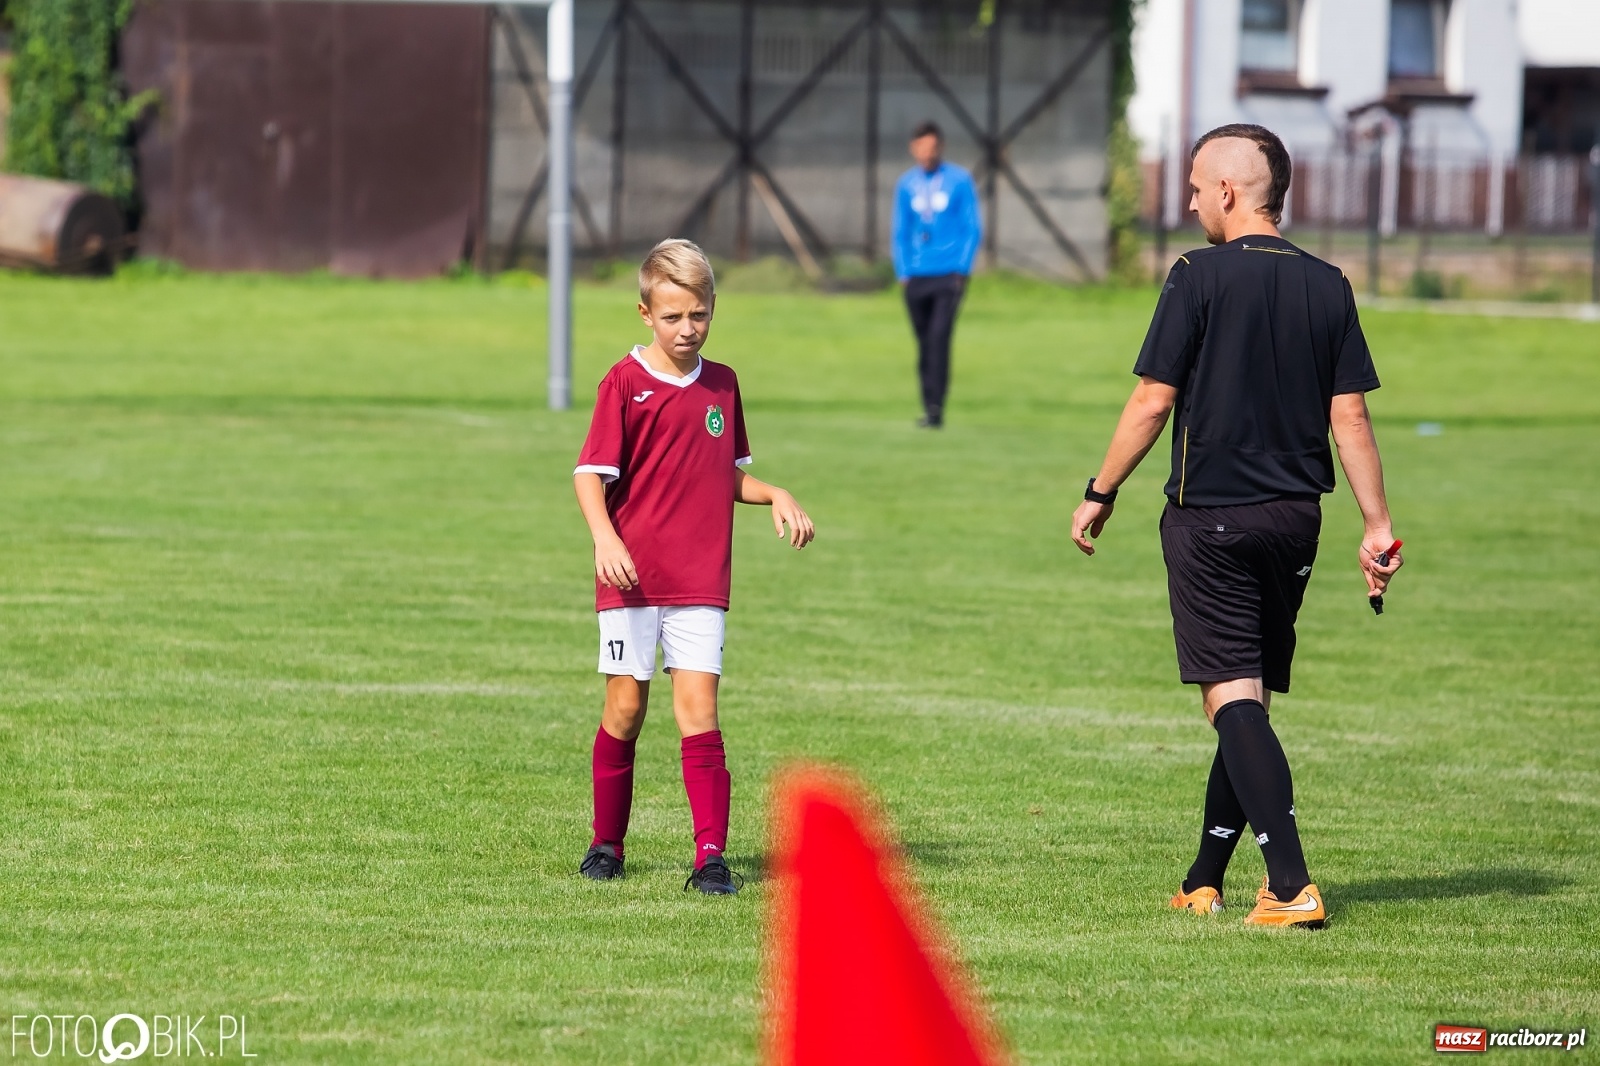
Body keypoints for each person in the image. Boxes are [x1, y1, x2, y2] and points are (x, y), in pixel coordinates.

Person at [1069, 124, 1402, 928]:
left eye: (1194, 187)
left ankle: (1289, 886)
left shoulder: (1197, 275)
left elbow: (1152, 400)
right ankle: (1204, 878)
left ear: (1227, 191)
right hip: (1296, 522)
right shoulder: (1329, 284)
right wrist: (1377, 524)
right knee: (1245, 696)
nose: (1189, 203)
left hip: (1212, 519)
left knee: (1231, 700)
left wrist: (1101, 489)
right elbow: (1350, 417)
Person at [572, 238, 815, 895]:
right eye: (673, 316)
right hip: (631, 576)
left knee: (699, 709)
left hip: (700, 577)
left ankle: (710, 858)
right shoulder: (623, 383)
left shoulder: (722, 385)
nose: (687, 328)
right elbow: (590, 474)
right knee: (626, 707)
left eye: (699, 314)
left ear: (713, 308)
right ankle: (606, 844)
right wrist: (605, 539)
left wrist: (775, 493)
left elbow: (721, 475)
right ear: (645, 313)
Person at [892, 120, 981, 429]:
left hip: (948, 275)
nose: (927, 153)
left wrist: (962, 269)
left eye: (932, 148)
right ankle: (926, 401)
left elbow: (972, 227)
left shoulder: (959, 180)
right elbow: (900, 230)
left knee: (939, 338)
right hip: (917, 275)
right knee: (924, 342)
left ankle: (936, 408)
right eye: (921, 148)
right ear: (913, 148)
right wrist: (903, 271)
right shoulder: (906, 184)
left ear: (940, 147)